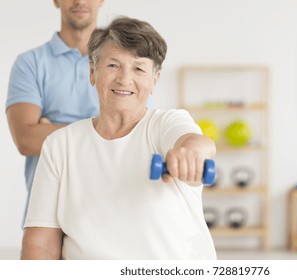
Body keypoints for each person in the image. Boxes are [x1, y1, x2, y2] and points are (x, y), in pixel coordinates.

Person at [21, 16, 217, 260]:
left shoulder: (165, 123)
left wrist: (192, 154)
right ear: (93, 72)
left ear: (154, 80)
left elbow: (197, 143)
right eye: (113, 65)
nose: (124, 79)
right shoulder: (60, 145)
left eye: (139, 68)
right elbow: (41, 244)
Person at [6, 0, 105, 223]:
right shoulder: (29, 63)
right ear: (56, 1)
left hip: (106, 213)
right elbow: (26, 139)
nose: (80, 1)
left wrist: (50, 130)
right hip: (47, 214)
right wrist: (104, 129)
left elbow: (133, 134)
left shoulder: (121, 64)